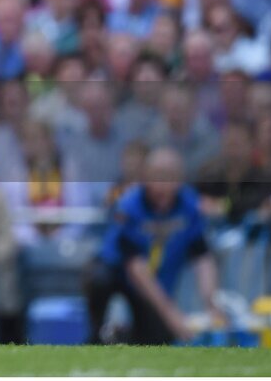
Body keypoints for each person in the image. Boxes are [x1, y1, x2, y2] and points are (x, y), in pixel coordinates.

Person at [84, 148, 223, 345]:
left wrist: (211, 303)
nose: (162, 185)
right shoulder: (129, 205)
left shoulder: (190, 206)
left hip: (156, 280)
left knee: (158, 338)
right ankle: (97, 335)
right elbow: (135, 267)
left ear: (180, 179)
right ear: (145, 177)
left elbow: (202, 256)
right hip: (121, 275)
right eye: (157, 176)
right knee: (99, 279)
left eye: (169, 177)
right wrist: (170, 313)